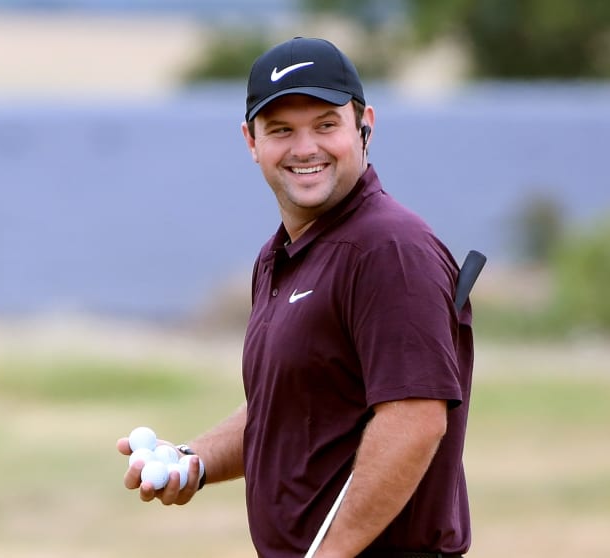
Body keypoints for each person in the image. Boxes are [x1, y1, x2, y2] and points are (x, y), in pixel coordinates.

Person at [117, 36, 473, 558]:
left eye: (326, 125)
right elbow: (289, 407)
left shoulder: (389, 249)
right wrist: (193, 461)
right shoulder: (283, 255)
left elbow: (414, 419)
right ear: (251, 141)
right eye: (281, 130)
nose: (305, 148)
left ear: (364, 124)